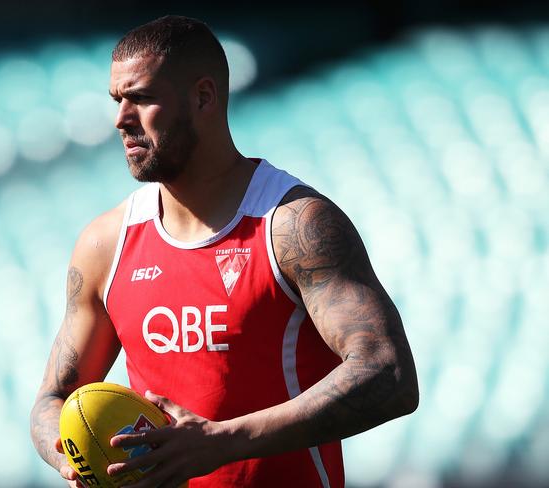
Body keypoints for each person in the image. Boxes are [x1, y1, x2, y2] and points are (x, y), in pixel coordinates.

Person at [30, 15, 419, 488]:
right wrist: (76, 458)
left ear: (204, 97)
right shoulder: (105, 244)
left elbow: (389, 373)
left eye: (143, 99)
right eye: (117, 101)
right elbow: (52, 399)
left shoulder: (293, 226)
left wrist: (224, 441)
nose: (121, 120)